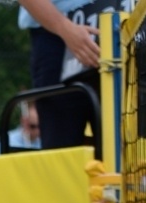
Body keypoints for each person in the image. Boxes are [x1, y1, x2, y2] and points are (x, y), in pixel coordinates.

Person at [17, 0, 102, 150]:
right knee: (62, 151)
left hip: (124, 25)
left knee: (127, 153)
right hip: (56, 34)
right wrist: (64, 28)